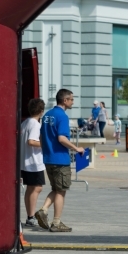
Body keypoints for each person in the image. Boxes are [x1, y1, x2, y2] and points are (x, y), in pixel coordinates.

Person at [34, 89, 85, 232]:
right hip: (60, 159)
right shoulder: (62, 116)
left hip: (48, 158)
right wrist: (76, 148)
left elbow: (41, 137)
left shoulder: (46, 115)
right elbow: (62, 138)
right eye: (71, 99)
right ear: (65, 100)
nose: (73, 102)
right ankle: (56, 222)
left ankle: (43, 210)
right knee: (61, 191)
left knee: (56, 189)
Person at [21, 98, 45, 227]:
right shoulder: (35, 124)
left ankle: (30, 216)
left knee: (31, 188)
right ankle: (31, 216)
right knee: (37, 188)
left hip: (25, 161)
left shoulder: (25, 123)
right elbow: (31, 141)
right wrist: (45, 144)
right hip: (34, 162)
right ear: (41, 111)